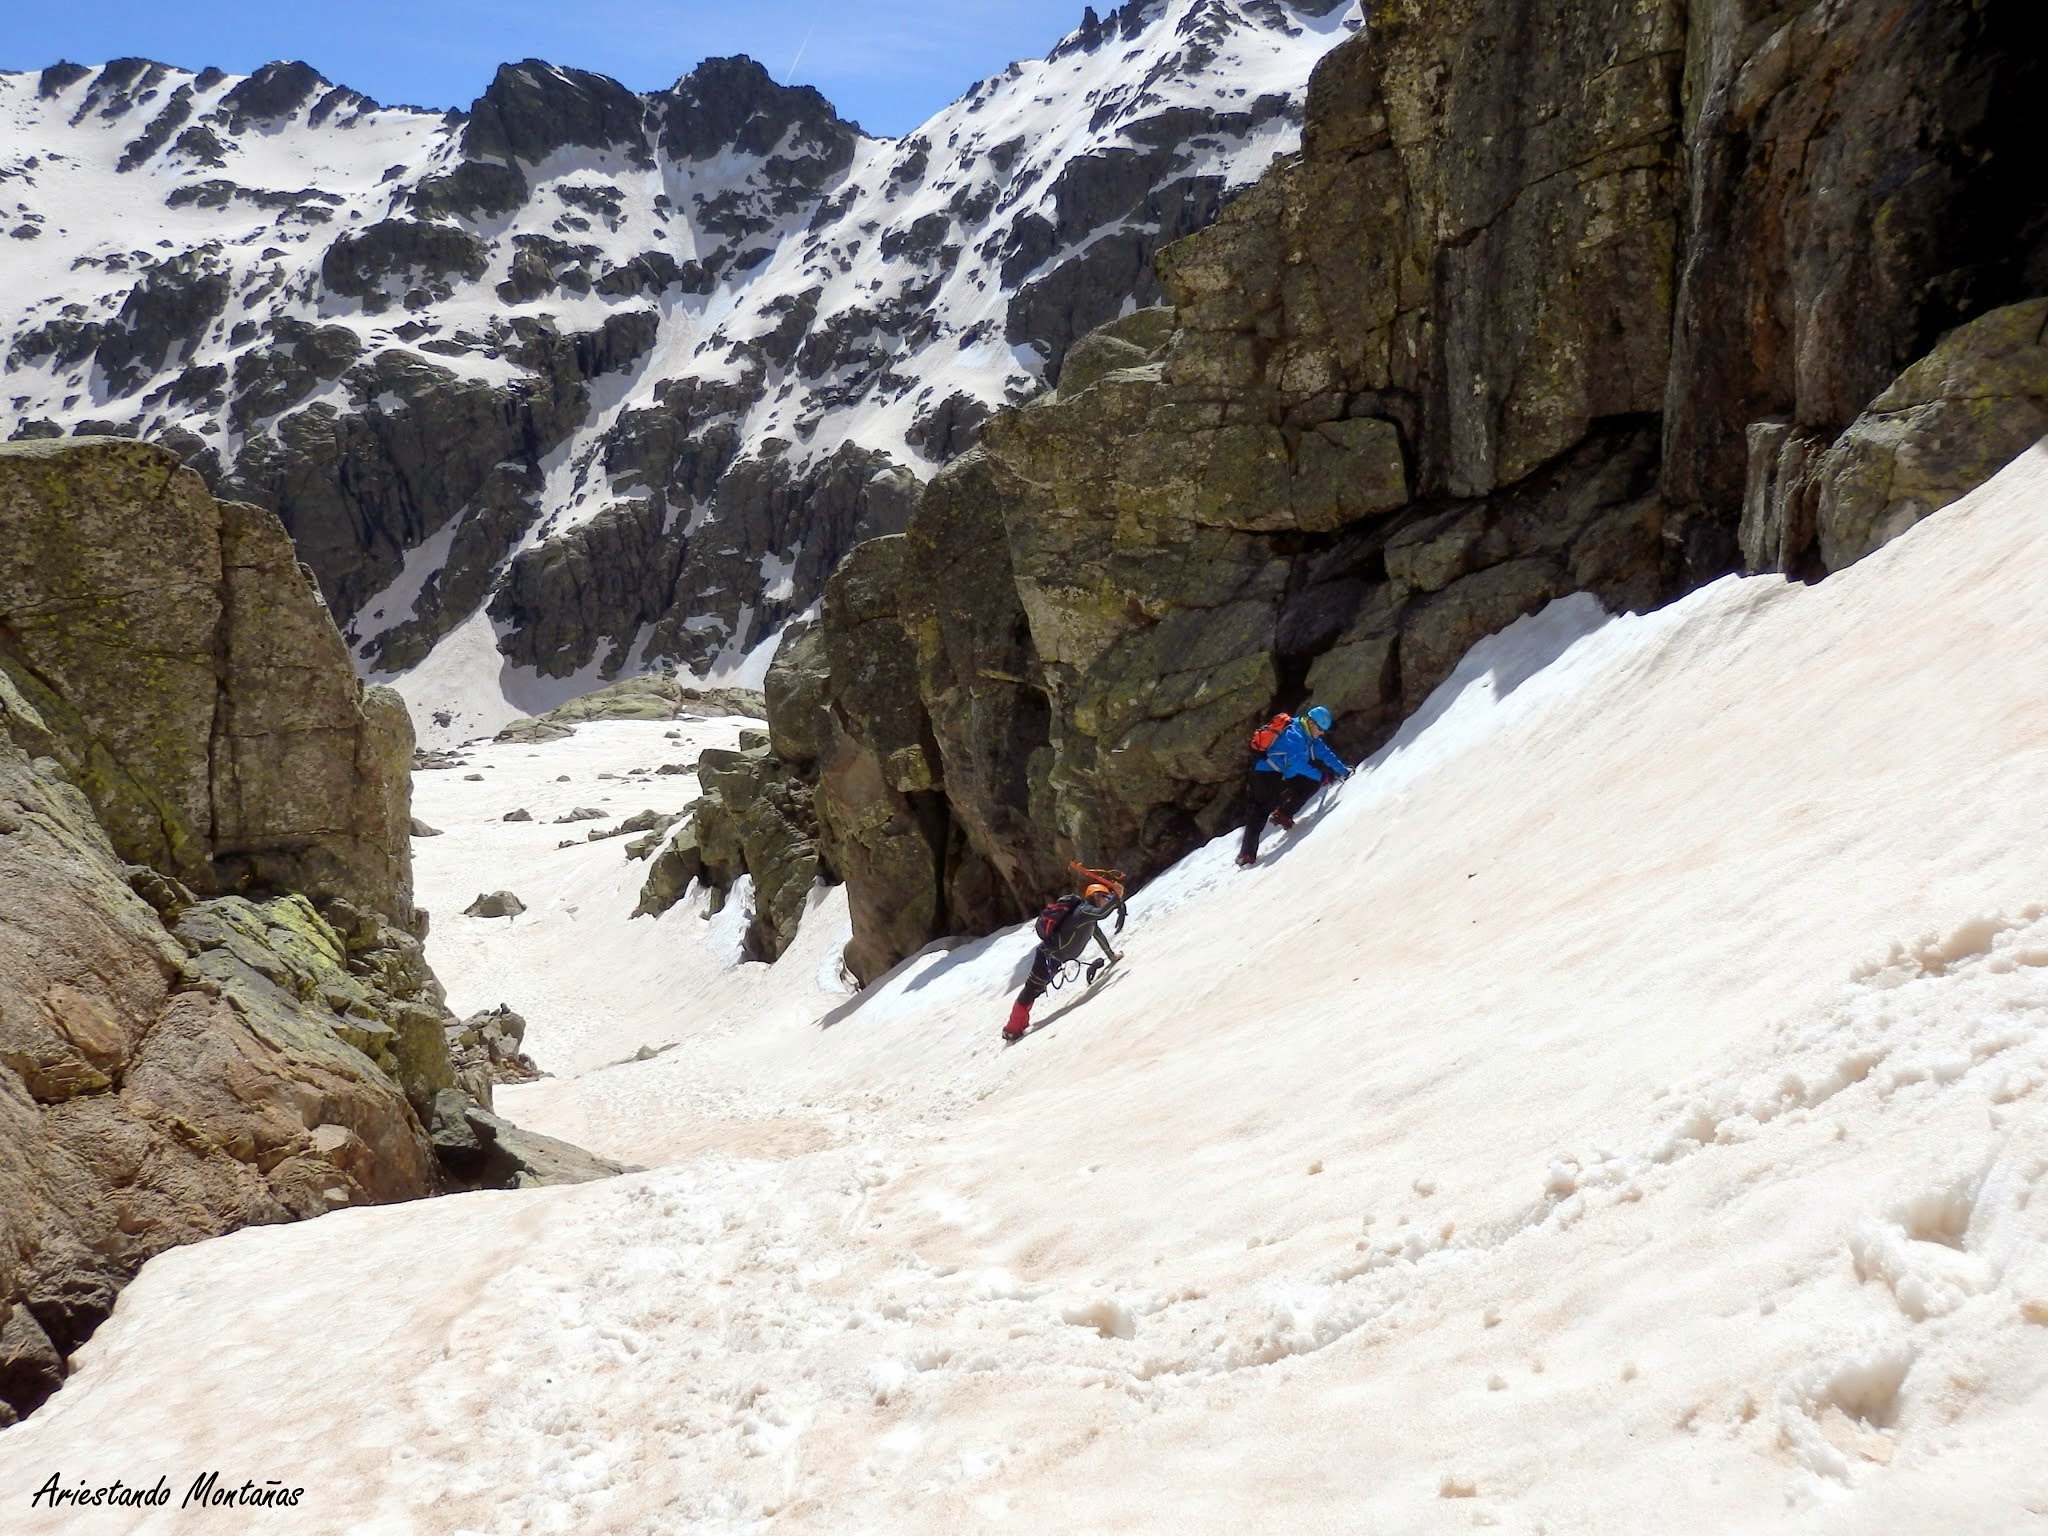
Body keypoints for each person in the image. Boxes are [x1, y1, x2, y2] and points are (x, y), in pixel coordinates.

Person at [1005, 878, 1126, 1039]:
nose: (1106, 901)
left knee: (1035, 989)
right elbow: (1102, 914)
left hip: (1054, 957)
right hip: (1048, 955)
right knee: (1032, 989)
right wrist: (1117, 897)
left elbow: (1098, 935)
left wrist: (1111, 956)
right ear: (1096, 896)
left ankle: (1021, 1023)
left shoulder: (1087, 917)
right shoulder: (1084, 911)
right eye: (1105, 898)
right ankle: (1011, 1030)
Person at [1236, 704, 1350, 867]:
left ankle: (1283, 814)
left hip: (1282, 769)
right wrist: (1322, 776)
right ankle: (1246, 854)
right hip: (1265, 772)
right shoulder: (1294, 735)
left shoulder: (1310, 736)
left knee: (1309, 783)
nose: (1322, 733)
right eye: (1321, 729)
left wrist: (1342, 770)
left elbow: (1325, 753)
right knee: (1261, 808)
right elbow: (1297, 764)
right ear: (1311, 723)